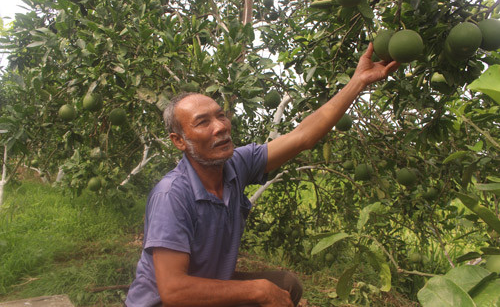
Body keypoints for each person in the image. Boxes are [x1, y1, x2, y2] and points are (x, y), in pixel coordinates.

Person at [125, 43, 399, 307]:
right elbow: (173, 292)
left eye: (221, 116)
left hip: (204, 285)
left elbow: (302, 136)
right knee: (265, 290)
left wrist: (359, 82)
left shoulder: (236, 164)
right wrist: (257, 290)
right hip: (166, 302)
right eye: (203, 122)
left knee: (284, 285)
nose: (220, 127)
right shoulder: (171, 195)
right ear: (179, 141)